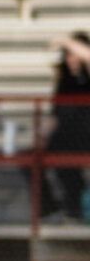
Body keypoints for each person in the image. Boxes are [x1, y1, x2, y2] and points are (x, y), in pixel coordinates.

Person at [43, 33, 90, 223]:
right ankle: (51, 210)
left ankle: (75, 208)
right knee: (31, 159)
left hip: (85, 138)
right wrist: (42, 136)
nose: (73, 59)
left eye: (76, 53)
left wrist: (65, 41)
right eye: (69, 54)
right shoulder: (64, 81)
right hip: (65, 139)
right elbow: (55, 114)